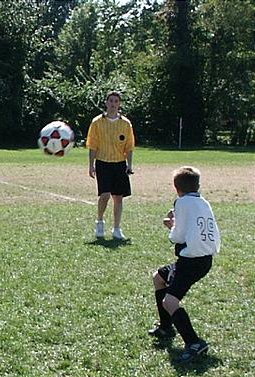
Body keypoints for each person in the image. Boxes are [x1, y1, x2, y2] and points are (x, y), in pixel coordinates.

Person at [148, 166, 220, 363]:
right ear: (198, 186)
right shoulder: (202, 202)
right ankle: (166, 327)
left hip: (191, 261)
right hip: (204, 259)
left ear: (176, 187)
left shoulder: (181, 203)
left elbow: (178, 237)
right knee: (159, 277)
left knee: (169, 302)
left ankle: (195, 342)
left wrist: (171, 226)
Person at [87, 91, 135, 240]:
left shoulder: (125, 124)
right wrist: (91, 165)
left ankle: (117, 228)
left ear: (119, 104)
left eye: (116, 101)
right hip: (103, 162)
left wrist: (129, 164)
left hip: (119, 163)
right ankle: (100, 222)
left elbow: (129, 146)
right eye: (111, 101)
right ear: (106, 103)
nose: (113, 104)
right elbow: (92, 145)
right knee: (105, 195)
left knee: (118, 197)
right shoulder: (97, 122)